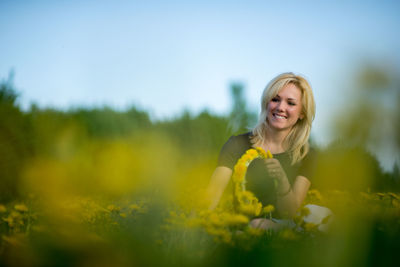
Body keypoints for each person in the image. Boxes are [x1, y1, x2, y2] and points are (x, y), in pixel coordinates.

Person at [206, 72, 316, 230]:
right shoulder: (237, 144)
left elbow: (292, 214)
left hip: (284, 233)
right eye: (275, 99)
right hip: (241, 231)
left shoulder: (307, 155)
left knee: (259, 224)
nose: (280, 107)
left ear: (302, 113)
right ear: (266, 103)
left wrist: (282, 180)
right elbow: (213, 194)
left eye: (291, 103)